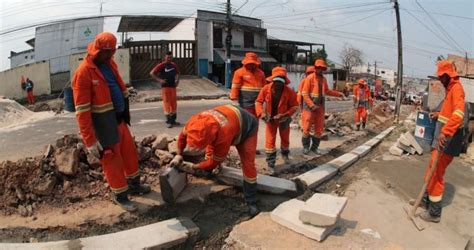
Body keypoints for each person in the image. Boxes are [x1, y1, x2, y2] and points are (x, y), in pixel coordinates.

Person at [73, 32, 150, 212]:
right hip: (104, 126)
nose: (111, 56)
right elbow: (82, 111)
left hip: (119, 120)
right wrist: (90, 140)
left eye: (112, 53)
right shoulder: (83, 72)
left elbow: (116, 85)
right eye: (108, 53)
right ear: (99, 51)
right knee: (112, 162)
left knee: (130, 154)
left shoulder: (109, 63)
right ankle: (121, 196)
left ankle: (134, 185)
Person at [170, 104, 260, 216]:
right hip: (228, 116)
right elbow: (182, 137)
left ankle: (251, 200)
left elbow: (215, 161)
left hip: (247, 128)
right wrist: (179, 155)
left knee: (248, 164)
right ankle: (207, 171)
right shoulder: (194, 124)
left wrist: (194, 167)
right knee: (210, 151)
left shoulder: (223, 135)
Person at [411, 60, 466, 223]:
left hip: (447, 140)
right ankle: (425, 201)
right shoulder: (450, 89)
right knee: (431, 170)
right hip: (440, 138)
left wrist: (446, 132)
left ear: (449, 75)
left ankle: (434, 213)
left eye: (442, 77)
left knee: (436, 174)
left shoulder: (457, 89)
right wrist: (439, 114)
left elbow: (458, 114)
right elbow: (449, 111)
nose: (440, 80)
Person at [256, 66, 298, 174]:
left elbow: (294, 106)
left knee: (285, 138)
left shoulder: (289, 92)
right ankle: (271, 163)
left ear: (284, 82)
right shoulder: (265, 89)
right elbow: (258, 102)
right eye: (276, 81)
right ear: (272, 81)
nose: (278, 85)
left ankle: (285, 154)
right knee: (270, 141)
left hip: (283, 119)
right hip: (270, 119)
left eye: (281, 82)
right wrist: (262, 113)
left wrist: (285, 114)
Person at [301, 59, 344, 154]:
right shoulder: (310, 78)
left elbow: (327, 91)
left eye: (322, 68)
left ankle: (314, 148)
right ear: (315, 68)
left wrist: (338, 94)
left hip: (320, 107)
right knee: (306, 127)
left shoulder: (323, 79)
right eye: (318, 68)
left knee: (319, 129)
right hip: (309, 108)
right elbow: (305, 94)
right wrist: (311, 105)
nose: (320, 70)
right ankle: (306, 147)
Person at [230, 52, 266, 117]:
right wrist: (234, 99)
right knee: (247, 121)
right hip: (245, 103)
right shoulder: (239, 72)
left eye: (253, 64)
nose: (251, 65)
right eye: (250, 64)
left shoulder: (261, 73)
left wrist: (266, 100)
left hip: (258, 103)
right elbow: (235, 87)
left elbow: (265, 88)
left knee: (255, 121)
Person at [150, 51, 180, 128]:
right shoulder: (162, 65)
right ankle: (169, 121)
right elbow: (152, 73)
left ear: (172, 57)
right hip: (165, 88)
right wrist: (160, 80)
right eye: (168, 57)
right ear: (165, 57)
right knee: (167, 104)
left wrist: (177, 80)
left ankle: (173, 121)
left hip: (173, 87)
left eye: (170, 57)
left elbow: (177, 73)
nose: (169, 59)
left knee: (174, 104)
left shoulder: (174, 65)